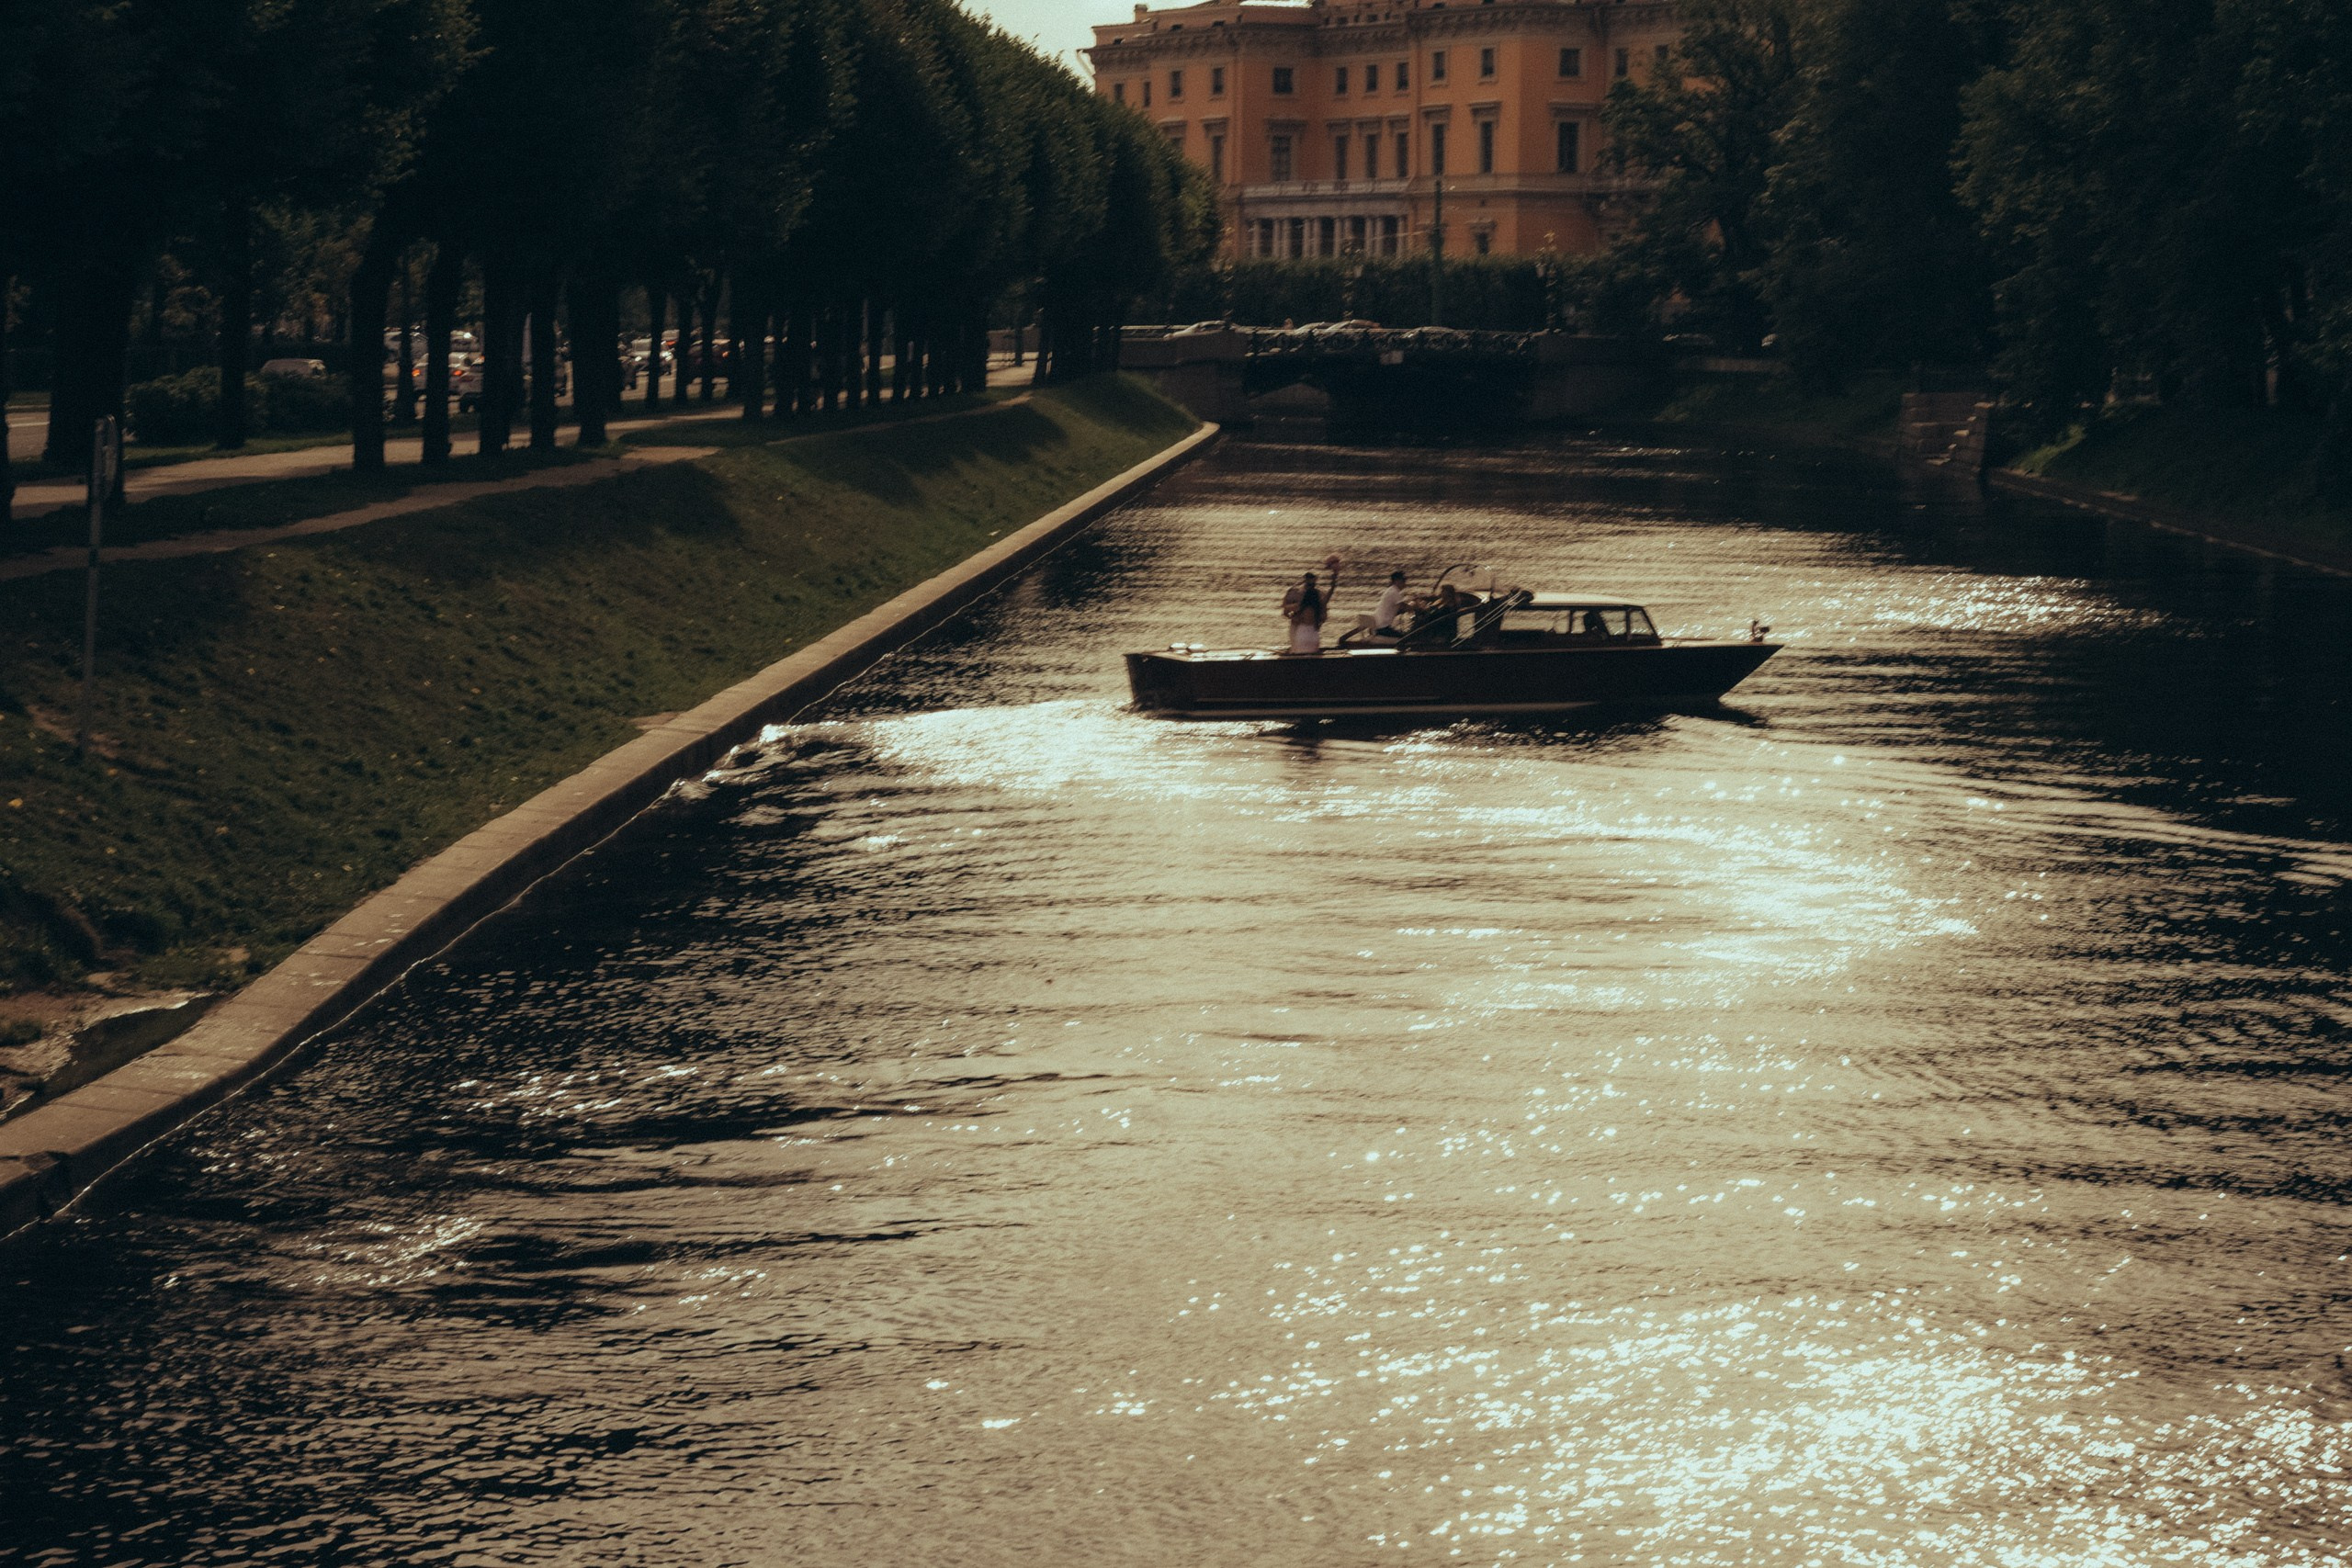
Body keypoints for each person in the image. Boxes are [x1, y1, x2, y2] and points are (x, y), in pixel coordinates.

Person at [1283, 569, 1330, 653]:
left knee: (1296, 651)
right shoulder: (1318, 595)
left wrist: (1294, 617)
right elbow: (1324, 616)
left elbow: (1285, 610)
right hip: (1312, 631)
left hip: (1302, 629)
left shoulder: (1296, 593)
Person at [1371, 571, 1409, 638]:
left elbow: (1399, 607)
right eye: (1403, 580)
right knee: (1406, 637)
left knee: (1401, 633)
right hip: (1383, 628)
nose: (1405, 583)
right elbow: (1405, 608)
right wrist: (1417, 606)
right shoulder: (1395, 592)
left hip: (1378, 625)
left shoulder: (1390, 590)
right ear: (1397, 581)